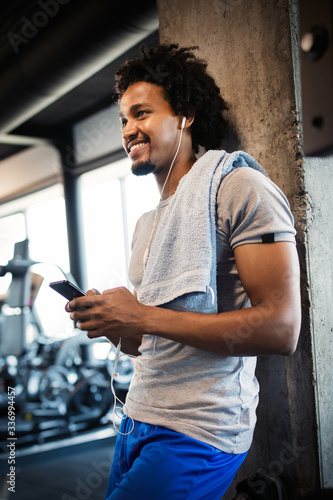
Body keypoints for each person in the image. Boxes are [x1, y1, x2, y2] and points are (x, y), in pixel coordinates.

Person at [65, 44, 301, 500]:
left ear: (185, 115)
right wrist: (112, 322)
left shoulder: (239, 187)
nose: (128, 129)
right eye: (123, 120)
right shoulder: (147, 225)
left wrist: (140, 316)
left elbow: (282, 329)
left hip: (198, 430)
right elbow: (144, 342)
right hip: (137, 417)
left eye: (141, 114)